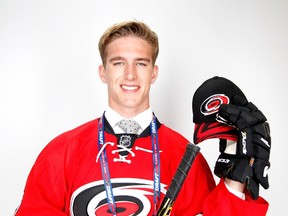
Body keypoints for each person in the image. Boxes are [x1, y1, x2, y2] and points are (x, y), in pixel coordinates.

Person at [15, 20, 270, 215]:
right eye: (118, 63)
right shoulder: (61, 151)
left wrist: (235, 183)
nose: (129, 75)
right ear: (103, 72)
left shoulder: (186, 156)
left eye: (140, 63)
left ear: (154, 73)